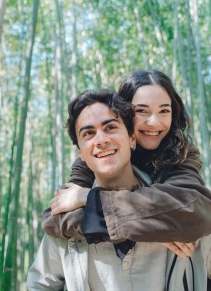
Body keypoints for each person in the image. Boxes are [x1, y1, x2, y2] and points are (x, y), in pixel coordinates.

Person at [43, 70, 211, 248]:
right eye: (142, 111)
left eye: (164, 111)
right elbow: (58, 216)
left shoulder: (181, 152)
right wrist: (150, 227)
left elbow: (194, 210)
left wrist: (90, 198)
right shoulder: (96, 157)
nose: (154, 122)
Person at [27, 89, 171, 290]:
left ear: (131, 138)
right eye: (88, 133)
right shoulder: (66, 220)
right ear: (81, 153)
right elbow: (39, 285)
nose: (101, 140)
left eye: (110, 127)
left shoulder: (175, 206)